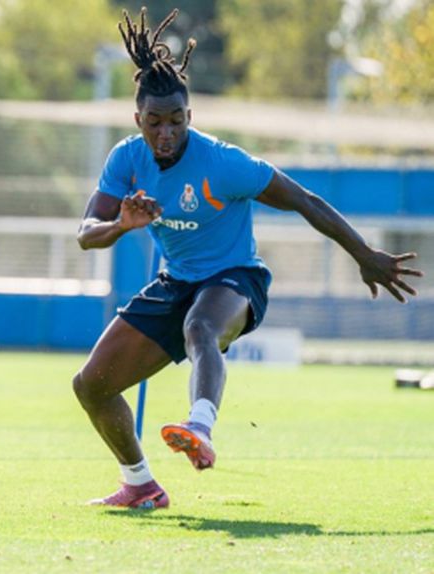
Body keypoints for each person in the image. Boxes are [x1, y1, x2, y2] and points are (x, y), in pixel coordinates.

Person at [73, 8, 422, 509]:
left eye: (176, 121)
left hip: (234, 279)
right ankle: (141, 486)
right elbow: (86, 234)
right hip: (177, 281)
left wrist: (363, 254)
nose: (166, 133)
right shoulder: (126, 158)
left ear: (190, 117)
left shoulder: (223, 162)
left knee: (200, 329)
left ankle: (200, 426)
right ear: (138, 121)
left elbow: (305, 199)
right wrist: (121, 226)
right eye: (155, 123)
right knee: (91, 386)